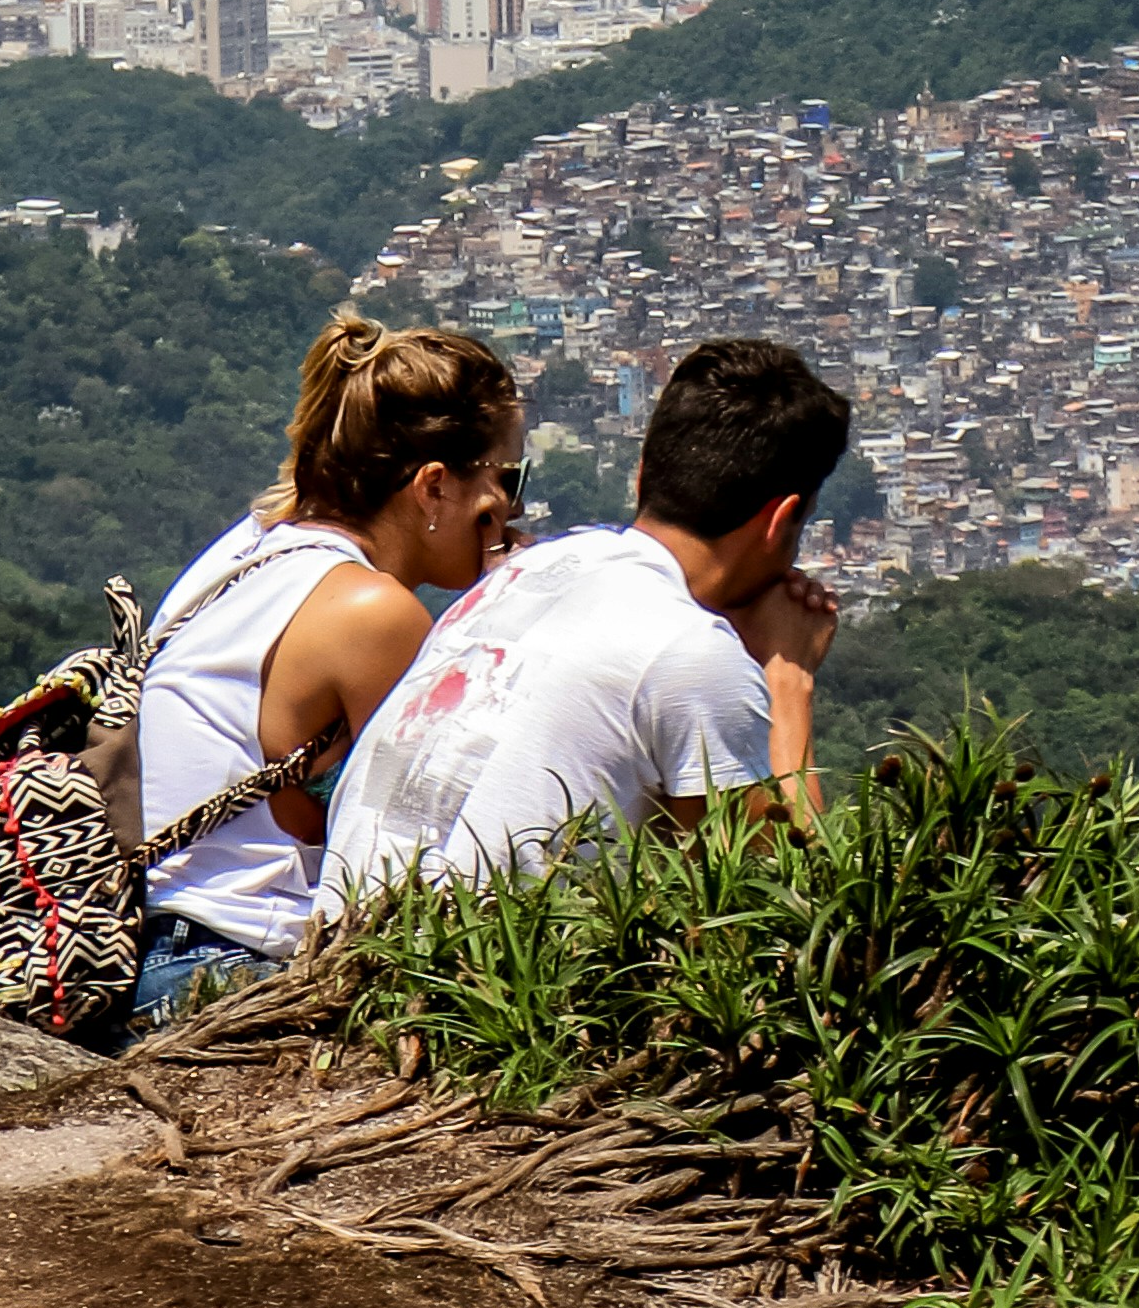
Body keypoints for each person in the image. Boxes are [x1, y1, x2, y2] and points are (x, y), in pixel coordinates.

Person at [321, 328, 851, 902]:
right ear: (782, 520)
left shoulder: (521, 576)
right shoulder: (691, 653)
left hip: (336, 958)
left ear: (644, 472)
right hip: (460, 986)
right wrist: (787, 684)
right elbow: (794, 899)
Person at [130, 308, 525, 1029]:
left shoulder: (243, 552)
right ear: (434, 488)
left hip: (148, 943)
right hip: (228, 961)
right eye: (508, 477)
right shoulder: (373, 612)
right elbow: (454, 824)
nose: (512, 507)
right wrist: (509, 600)